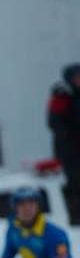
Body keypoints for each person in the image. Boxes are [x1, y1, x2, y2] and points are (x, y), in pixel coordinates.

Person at [48, 64, 80, 225]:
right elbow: (54, 122)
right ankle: (76, 216)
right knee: (74, 182)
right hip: (70, 149)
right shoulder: (61, 96)